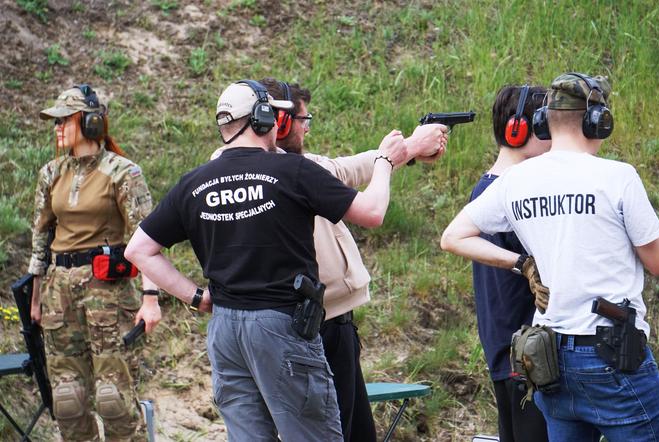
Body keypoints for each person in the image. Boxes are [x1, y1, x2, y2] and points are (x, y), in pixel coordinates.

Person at [124, 79, 408, 441]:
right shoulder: (292, 170)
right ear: (261, 119)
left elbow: (139, 249)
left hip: (225, 332)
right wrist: (384, 162)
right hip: (282, 327)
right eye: (274, 116)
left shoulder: (194, 183)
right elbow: (372, 212)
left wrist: (195, 297)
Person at [441, 73, 659, 441]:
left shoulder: (515, 181)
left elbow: (453, 237)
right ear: (599, 121)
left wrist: (522, 264)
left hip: (549, 359)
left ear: (545, 122)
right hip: (610, 353)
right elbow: (657, 263)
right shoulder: (618, 177)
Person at [229, 77, 444, 442]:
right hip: (316, 324)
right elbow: (370, 206)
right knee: (333, 430)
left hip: (301, 323)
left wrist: (405, 148)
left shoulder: (255, 171)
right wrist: (401, 152)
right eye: (302, 121)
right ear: (277, 123)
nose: (307, 128)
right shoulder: (291, 174)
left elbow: (350, 167)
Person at [29, 84, 161, 441]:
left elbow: (146, 238)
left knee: (113, 398)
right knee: (68, 400)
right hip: (59, 294)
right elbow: (41, 235)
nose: (57, 128)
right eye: (55, 122)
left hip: (108, 294)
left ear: (89, 123)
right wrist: (36, 294)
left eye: (64, 121)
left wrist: (151, 299)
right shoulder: (51, 173)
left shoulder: (123, 172)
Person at [468, 84, 549, 442]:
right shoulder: (508, 192)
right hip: (527, 353)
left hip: (512, 348)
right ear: (518, 129)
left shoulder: (489, 187)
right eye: (547, 125)